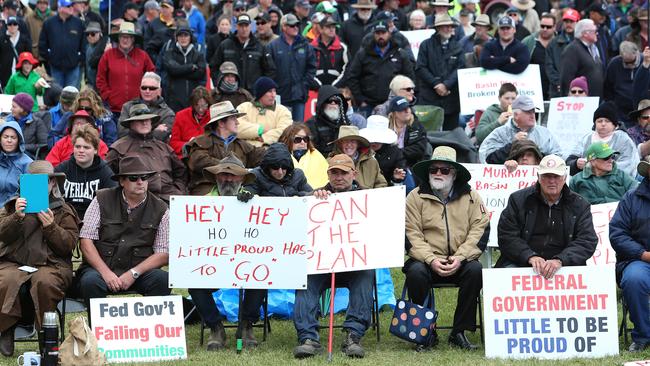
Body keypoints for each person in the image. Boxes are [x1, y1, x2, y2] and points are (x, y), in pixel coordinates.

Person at [404, 146, 489, 350]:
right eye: (434, 170)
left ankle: (459, 331)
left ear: (454, 173)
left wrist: (460, 257)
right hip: (426, 261)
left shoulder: (472, 196)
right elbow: (410, 233)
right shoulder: (414, 197)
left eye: (444, 170)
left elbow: (480, 228)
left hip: (461, 261)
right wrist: (431, 259)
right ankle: (426, 331)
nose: (438, 174)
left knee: (476, 271)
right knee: (414, 272)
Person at [293, 153, 375, 359]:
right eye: (334, 173)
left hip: (354, 263)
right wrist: (314, 201)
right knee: (304, 278)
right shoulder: (316, 197)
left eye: (344, 173)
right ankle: (308, 337)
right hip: (322, 264)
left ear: (354, 174)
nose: (338, 177)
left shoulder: (369, 199)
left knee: (366, 274)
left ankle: (353, 335)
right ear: (328, 174)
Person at [0, 160, 79, 357]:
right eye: (33, 182)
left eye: (45, 181)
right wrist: (15, 217)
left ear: (53, 183)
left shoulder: (63, 210)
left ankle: (48, 335)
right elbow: (2, 235)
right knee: (5, 279)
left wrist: (51, 227)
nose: (41, 186)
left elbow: (68, 245)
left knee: (45, 282)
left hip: (52, 264)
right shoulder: (11, 207)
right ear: (25, 184)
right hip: (15, 262)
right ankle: (5, 329)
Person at [187, 155, 265, 351]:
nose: (228, 179)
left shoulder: (257, 204)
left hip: (247, 265)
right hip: (212, 265)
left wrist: (248, 207)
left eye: (234, 176)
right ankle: (216, 327)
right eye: (224, 175)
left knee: (265, 275)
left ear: (242, 180)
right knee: (192, 281)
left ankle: (247, 325)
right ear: (216, 178)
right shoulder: (201, 205)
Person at [76, 155, 171, 308]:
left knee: (162, 280)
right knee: (90, 282)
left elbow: (164, 253)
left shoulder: (161, 209)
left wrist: (134, 273)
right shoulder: (101, 199)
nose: (140, 182)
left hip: (140, 271)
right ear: (121, 181)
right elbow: (86, 241)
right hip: (101, 269)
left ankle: (149, 328)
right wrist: (105, 273)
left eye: (144, 177)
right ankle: (99, 330)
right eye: (133, 178)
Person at [496, 154, 598, 276]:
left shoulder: (580, 205)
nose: (552, 181)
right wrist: (529, 256)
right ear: (538, 177)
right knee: (506, 274)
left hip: (565, 266)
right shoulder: (517, 200)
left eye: (556, 176)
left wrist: (561, 260)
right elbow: (506, 236)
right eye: (547, 176)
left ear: (565, 178)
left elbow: (587, 240)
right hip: (521, 262)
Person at [610, 157, 650, 352]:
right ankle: (642, 335)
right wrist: (643, 254)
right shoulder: (631, 198)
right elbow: (617, 234)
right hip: (638, 260)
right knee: (634, 279)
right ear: (647, 172)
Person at [107, 104, 187, 202]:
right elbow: (108, 177)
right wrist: (123, 197)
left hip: (170, 198)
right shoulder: (119, 148)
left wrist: (178, 190)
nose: (144, 123)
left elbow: (181, 172)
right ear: (131, 124)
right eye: (140, 120)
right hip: (137, 201)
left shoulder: (164, 147)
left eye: (147, 120)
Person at [186, 101, 265, 195]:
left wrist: (277, 153)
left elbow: (262, 156)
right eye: (233, 118)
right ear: (221, 123)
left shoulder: (241, 144)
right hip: (206, 191)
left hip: (237, 190)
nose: (237, 122)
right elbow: (199, 162)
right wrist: (232, 168)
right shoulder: (200, 142)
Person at [347, 20, 415, 117]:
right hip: (368, 104)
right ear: (373, 34)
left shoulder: (400, 53)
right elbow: (352, 77)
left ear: (389, 33)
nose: (380, 36)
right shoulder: (363, 53)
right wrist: (360, 100)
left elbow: (410, 78)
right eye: (377, 33)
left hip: (394, 104)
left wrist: (404, 98)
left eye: (383, 33)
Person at [54, 125, 116, 218]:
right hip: (66, 219)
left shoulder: (104, 171)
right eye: (78, 147)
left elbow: (113, 200)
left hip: (95, 220)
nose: (81, 151)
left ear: (95, 150)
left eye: (86, 147)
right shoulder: (62, 169)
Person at [96, 22, 156, 119]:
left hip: (138, 108)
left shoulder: (143, 55)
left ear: (133, 39)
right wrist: (107, 96)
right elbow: (100, 79)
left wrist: (144, 95)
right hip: (113, 109)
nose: (125, 40)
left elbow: (152, 76)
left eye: (128, 37)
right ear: (118, 38)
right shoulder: (108, 55)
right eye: (123, 37)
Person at [416, 14, 465, 130]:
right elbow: (420, 68)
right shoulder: (426, 45)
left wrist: (446, 85)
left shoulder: (458, 46)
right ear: (437, 28)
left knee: (451, 134)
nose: (448, 29)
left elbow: (461, 68)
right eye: (445, 26)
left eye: (450, 26)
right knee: (429, 133)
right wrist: (436, 84)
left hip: (451, 99)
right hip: (429, 99)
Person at [479, 95, 562, 163]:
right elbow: (488, 160)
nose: (532, 115)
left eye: (533, 111)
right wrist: (512, 145)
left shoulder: (544, 133)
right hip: (506, 181)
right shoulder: (500, 133)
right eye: (528, 112)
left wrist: (536, 156)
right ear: (516, 115)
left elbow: (558, 158)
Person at [566, 102, 639, 177]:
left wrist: (600, 168)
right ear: (595, 123)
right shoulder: (586, 138)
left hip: (615, 184)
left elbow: (627, 166)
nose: (603, 124)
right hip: (586, 182)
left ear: (614, 124)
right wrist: (576, 164)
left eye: (607, 121)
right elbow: (569, 162)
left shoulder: (623, 139)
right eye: (599, 121)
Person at [268, 13, 316, 122]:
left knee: (298, 129)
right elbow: (270, 71)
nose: (295, 27)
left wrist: (304, 85)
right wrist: (275, 90)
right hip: (280, 95)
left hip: (299, 96)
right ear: (284, 27)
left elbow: (312, 68)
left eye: (297, 25)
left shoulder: (305, 44)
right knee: (282, 129)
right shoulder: (273, 46)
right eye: (292, 25)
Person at [210, 13, 275, 93]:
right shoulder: (225, 45)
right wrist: (219, 85)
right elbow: (214, 67)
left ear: (250, 26)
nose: (244, 29)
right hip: (229, 93)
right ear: (236, 26)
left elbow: (270, 71)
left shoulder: (259, 47)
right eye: (241, 26)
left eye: (246, 26)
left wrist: (262, 90)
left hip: (253, 95)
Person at [569, 141, 638, 204]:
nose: (611, 160)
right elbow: (569, 204)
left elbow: (637, 193)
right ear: (592, 161)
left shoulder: (622, 176)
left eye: (612, 157)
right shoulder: (577, 180)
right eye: (606, 157)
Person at [117, 72, 176, 142]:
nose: (147, 91)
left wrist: (135, 129)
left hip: (154, 151)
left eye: (152, 88)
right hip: (128, 149)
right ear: (140, 89)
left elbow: (160, 137)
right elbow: (122, 133)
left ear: (159, 91)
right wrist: (153, 130)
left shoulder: (167, 113)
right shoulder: (127, 107)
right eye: (144, 88)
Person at [38, 0, 84, 88]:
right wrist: (50, 58)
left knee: (71, 95)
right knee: (57, 94)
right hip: (55, 67)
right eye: (68, 6)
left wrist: (79, 59)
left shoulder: (79, 23)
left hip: (73, 67)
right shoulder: (49, 23)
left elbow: (83, 43)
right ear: (60, 8)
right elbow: (42, 43)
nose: (71, 8)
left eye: (71, 6)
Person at [162, 24, 207, 112]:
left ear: (190, 37)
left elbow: (200, 73)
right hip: (174, 101)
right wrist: (190, 67)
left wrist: (179, 72)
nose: (183, 38)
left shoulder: (198, 55)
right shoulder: (169, 53)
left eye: (186, 35)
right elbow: (172, 70)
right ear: (176, 38)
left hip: (194, 100)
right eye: (180, 35)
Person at [236, 77, 292, 147]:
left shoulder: (283, 111)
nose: (273, 95)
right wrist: (259, 130)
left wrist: (264, 138)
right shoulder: (244, 107)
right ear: (260, 93)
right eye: (270, 91)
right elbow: (236, 127)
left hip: (271, 153)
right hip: (246, 151)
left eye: (274, 91)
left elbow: (285, 131)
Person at [246, 142, 312, 196]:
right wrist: (246, 194)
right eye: (275, 167)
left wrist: (298, 195)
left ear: (288, 166)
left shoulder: (298, 175)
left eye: (284, 167)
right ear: (268, 166)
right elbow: (248, 191)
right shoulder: (256, 175)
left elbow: (311, 195)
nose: (280, 172)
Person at [560, 19, 605, 97]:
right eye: (594, 31)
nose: (597, 33)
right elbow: (566, 78)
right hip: (580, 102)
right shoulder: (572, 50)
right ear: (585, 34)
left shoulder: (594, 48)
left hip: (596, 99)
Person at [278, 124, 329, 189]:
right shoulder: (280, 156)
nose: (302, 142)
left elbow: (327, 178)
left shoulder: (316, 154)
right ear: (288, 139)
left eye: (305, 139)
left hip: (318, 195)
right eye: (297, 139)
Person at [360, 114, 406, 185]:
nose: (374, 142)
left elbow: (400, 170)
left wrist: (396, 177)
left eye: (378, 140)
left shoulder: (394, 151)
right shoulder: (359, 149)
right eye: (371, 139)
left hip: (385, 188)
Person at [305, 85, 352, 156]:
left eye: (336, 101)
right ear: (322, 103)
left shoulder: (345, 122)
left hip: (343, 161)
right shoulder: (311, 124)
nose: (333, 103)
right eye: (330, 101)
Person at [605, 41, 642, 124]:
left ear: (636, 53)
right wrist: (612, 105)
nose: (630, 65)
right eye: (627, 63)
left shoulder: (645, 62)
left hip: (642, 110)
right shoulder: (614, 64)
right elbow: (608, 87)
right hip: (620, 111)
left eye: (632, 62)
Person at [170, 86, 212, 159]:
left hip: (208, 154)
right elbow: (173, 142)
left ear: (208, 104)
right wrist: (187, 145)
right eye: (197, 105)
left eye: (204, 105)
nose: (201, 109)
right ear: (192, 104)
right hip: (187, 156)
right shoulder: (181, 116)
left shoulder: (213, 116)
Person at [546, 8, 579, 98]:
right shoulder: (553, 43)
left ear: (577, 22)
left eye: (571, 21)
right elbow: (549, 66)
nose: (568, 24)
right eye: (566, 21)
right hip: (557, 90)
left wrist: (577, 84)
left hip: (578, 91)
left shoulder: (582, 42)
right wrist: (559, 83)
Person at [387, 96, 428, 168]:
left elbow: (418, 149)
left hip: (411, 165)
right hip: (389, 164)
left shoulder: (417, 126)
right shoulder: (386, 128)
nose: (407, 110)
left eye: (408, 107)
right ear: (394, 113)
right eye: (402, 109)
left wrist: (396, 153)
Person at [522, 13, 556, 100]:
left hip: (554, 89)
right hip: (532, 90)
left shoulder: (560, 43)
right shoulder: (528, 41)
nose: (544, 29)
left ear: (554, 27)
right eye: (542, 26)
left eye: (548, 27)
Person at [5, 93, 47, 159]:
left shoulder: (37, 123)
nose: (11, 109)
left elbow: (43, 145)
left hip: (26, 157)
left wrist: (21, 147)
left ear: (22, 109)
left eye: (14, 107)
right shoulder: (7, 120)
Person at [0, 121, 32, 206]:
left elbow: (30, 195)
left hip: (15, 210)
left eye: (13, 137)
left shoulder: (28, 163)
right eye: (5, 137)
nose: (9, 140)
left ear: (19, 141)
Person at [311, 15, 348, 88]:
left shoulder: (342, 48)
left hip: (337, 90)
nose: (332, 29)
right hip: (315, 90)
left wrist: (335, 85)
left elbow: (348, 69)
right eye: (328, 27)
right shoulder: (311, 47)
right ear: (320, 29)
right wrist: (318, 85)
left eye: (333, 27)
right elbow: (307, 70)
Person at [0, 16, 31, 89]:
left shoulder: (24, 39)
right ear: (7, 26)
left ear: (18, 26)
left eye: (15, 24)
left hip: (21, 74)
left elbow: (29, 57)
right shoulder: (1, 38)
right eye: (10, 24)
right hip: (5, 75)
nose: (12, 26)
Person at [144, 0, 176, 64]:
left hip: (175, 60)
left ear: (172, 9)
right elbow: (147, 43)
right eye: (162, 7)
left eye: (166, 7)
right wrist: (157, 60)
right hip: (157, 61)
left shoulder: (176, 23)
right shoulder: (153, 23)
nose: (164, 9)